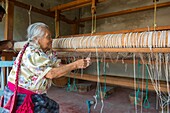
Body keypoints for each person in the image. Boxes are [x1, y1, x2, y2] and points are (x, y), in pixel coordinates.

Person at [0, 22, 91, 113]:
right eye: (48, 37)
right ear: (36, 39)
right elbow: (51, 73)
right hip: (22, 95)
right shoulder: (32, 52)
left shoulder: (45, 52)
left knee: (54, 107)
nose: (51, 40)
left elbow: (57, 66)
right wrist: (75, 65)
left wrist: (78, 64)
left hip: (33, 93)